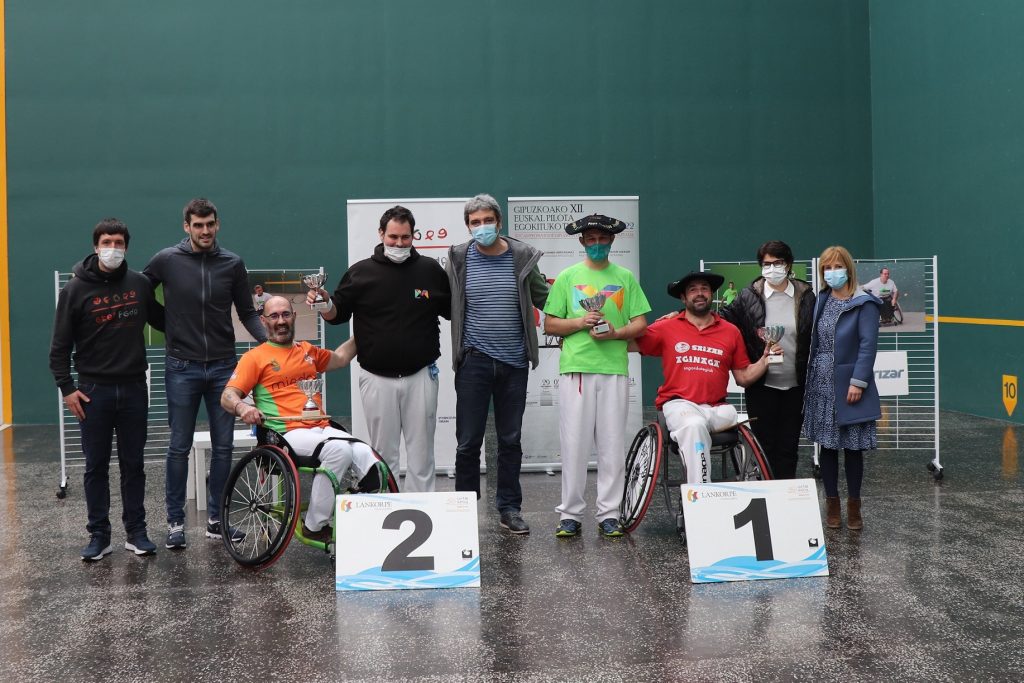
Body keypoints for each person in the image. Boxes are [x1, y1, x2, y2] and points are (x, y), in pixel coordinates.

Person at [144, 198, 267, 550]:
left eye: (210, 224)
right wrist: (167, 324)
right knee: (178, 446)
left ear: (217, 224)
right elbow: (140, 294)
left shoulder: (232, 263)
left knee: (223, 446)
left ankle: (217, 520)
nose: (205, 230)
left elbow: (247, 312)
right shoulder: (167, 259)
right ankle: (175, 523)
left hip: (224, 368)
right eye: (198, 225)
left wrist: (271, 344)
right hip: (181, 367)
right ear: (186, 226)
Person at [309, 205, 451, 492]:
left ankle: (423, 510)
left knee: (422, 453)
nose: (399, 243)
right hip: (376, 378)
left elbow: (451, 310)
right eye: (393, 237)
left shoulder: (430, 270)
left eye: (405, 237)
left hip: (421, 375)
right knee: (383, 454)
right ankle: (387, 508)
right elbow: (337, 314)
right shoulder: (360, 272)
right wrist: (324, 302)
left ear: (413, 236)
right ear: (381, 234)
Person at [50, 218, 164, 560]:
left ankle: (136, 532)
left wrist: (200, 312)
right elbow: (59, 346)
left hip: (133, 389)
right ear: (95, 246)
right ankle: (99, 535)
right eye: (106, 242)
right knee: (95, 466)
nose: (112, 248)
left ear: (126, 247)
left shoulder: (139, 284)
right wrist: (67, 388)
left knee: (134, 464)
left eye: (118, 243)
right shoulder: (74, 290)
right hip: (93, 392)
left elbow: (164, 321)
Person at [221, 296, 373, 541]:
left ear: (294, 317)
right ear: (263, 321)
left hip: (321, 427)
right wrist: (242, 407)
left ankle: (367, 516)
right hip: (284, 432)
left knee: (368, 455)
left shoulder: (307, 351)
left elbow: (341, 358)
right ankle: (314, 525)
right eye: (274, 316)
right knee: (339, 450)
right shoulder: (255, 357)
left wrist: (366, 329)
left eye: (285, 314)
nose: (281, 321)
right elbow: (227, 395)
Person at [447, 193, 549, 535]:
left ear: (499, 222)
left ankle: (509, 508)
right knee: (467, 442)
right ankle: (463, 509)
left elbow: (546, 297)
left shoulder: (522, 257)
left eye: (487, 220)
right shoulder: (458, 257)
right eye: (475, 222)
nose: (482, 227)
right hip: (473, 362)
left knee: (510, 439)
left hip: (514, 364)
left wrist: (584, 309)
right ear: (468, 226)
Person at [543, 214, 650, 538]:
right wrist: (581, 322)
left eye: (603, 239)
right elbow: (550, 324)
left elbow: (640, 323)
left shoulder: (625, 277)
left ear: (612, 240)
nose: (597, 244)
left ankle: (610, 514)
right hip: (576, 369)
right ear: (582, 242)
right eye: (591, 239)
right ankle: (570, 515)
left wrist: (615, 333)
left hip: (613, 369)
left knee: (612, 445)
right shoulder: (567, 277)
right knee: (574, 445)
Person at [632, 272, 770, 484]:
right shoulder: (666, 327)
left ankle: (752, 488)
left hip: (717, 409)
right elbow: (631, 344)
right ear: (683, 298)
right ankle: (700, 493)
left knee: (736, 421)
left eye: (704, 288)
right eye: (693, 290)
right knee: (694, 424)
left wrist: (766, 360)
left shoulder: (731, 331)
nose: (699, 293)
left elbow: (743, 377)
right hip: (679, 405)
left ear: (711, 294)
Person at [802, 245, 881, 530]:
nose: (832, 272)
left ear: (848, 268)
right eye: (827, 267)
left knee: (853, 448)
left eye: (837, 266)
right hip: (820, 384)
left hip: (849, 385)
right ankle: (832, 505)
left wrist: (858, 382)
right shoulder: (820, 300)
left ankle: (854, 507)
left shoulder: (865, 303)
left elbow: (868, 345)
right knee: (827, 447)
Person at [720, 241, 814, 479]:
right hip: (761, 385)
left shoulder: (806, 296)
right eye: (766, 264)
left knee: (789, 447)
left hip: (796, 386)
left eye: (777, 263)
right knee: (764, 447)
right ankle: (767, 492)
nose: (772, 268)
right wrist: (682, 315)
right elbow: (720, 320)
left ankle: (785, 493)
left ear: (788, 264)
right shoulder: (748, 296)